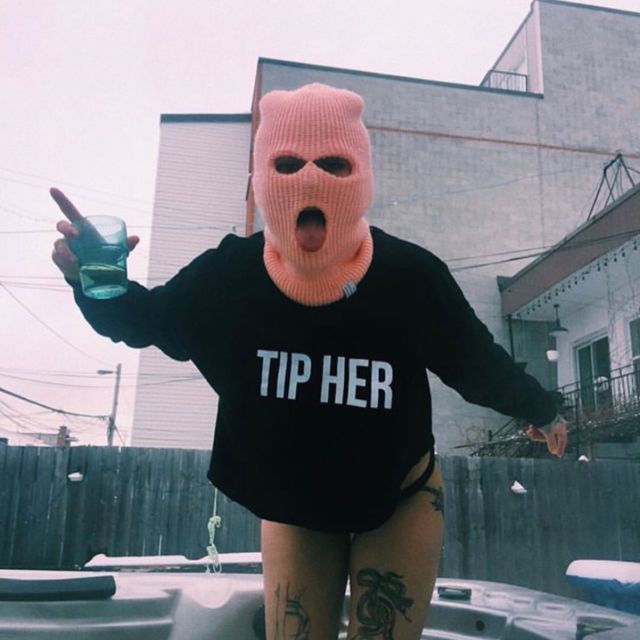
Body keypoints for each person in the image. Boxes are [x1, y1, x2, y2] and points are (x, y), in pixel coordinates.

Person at [51, 82, 568, 640]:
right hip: (295, 507)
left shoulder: (409, 277)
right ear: (262, 178)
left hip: (399, 497)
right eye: (289, 164)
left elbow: (476, 362)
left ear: (362, 176)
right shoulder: (230, 278)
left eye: (335, 164)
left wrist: (542, 410)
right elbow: (144, 320)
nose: (310, 180)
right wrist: (89, 280)